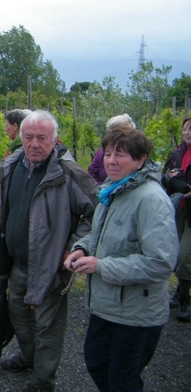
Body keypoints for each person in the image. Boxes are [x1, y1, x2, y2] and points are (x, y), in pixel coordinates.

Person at [0, 110, 98, 392]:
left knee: (48, 326)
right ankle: (29, 357)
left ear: (55, 139)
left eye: (42, 137)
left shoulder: (68, 173)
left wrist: (75, 246)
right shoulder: (12, 166)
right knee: (19, 315)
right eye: (28, 137)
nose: (34, 143)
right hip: (17, 264)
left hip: (50, 266)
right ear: (20, 138)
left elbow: (95, 214)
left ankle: (43, 381)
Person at [65, 129, 178, 392]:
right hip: (107, 305)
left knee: (122, 381)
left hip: (137, 313)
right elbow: (100, 234)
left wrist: (101, 266)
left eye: (121, 155)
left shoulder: (151, 199)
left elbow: (160, 263)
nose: (111, 161)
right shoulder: (112, 191)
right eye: (108, 153)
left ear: (141, 160)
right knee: (97, 364)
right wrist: (81, 248)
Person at [162, 116, 191, 322]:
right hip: (176, 208)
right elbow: (165, 175)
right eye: (185, 129)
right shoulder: (177, 153)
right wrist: (170, 177)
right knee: (174, 253)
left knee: (184, 256)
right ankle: (180, 291)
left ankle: (184, 299)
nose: (187, 132)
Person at [88, 113, 136, 184]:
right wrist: (104, 190)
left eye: (123, 133)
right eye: (114, 132)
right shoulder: (102, 153)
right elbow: (92, 173)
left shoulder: (136, 152)